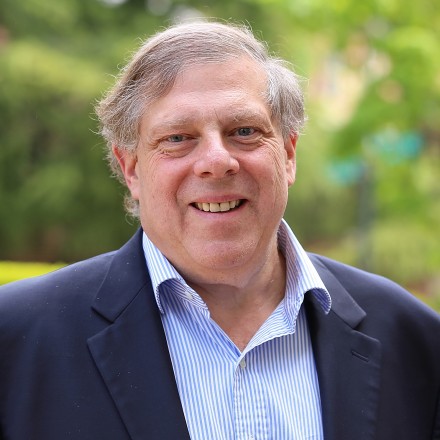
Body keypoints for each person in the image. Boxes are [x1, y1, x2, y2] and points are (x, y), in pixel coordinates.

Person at [0, 20, 439, 440]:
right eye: (177, 138)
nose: (216, 161)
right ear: (131, 168)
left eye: (244, 131)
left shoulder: (416, 341)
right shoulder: (16, 340)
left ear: (288, 154)